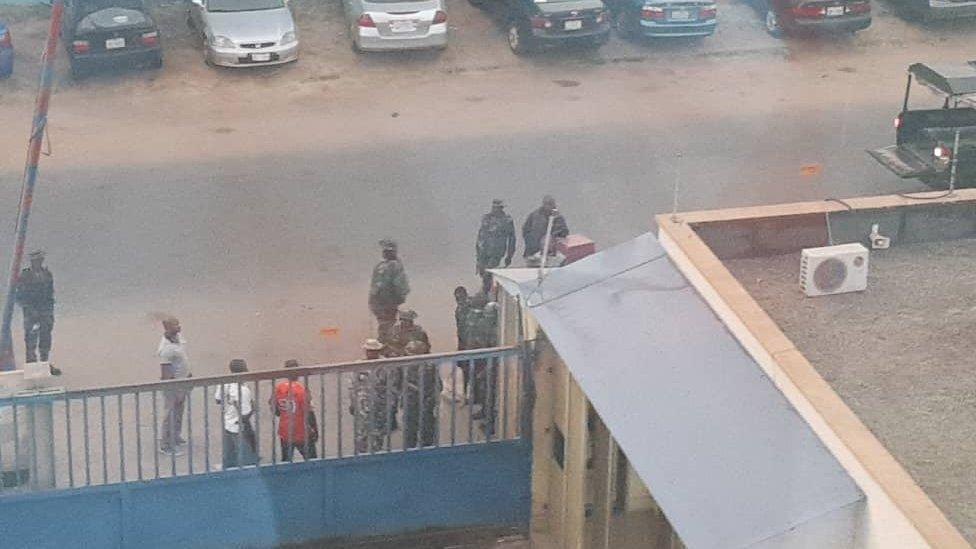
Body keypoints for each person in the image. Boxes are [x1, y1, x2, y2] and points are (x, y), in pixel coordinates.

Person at [350, 339, 398, 453]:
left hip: (380, 405)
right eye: (369, 351)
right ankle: (361, 455)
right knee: (362, 433)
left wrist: (392, 405)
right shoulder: (359, 364)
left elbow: (392, 386)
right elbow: (353, 385)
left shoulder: (386, 366)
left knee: (378, 433)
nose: (371, 353)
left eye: (374, 351)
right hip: (363, 405)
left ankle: (377, 454)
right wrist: (352, 402)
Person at [214, 359, 258, 469]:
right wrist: (254, 407)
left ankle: (227, 465)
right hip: (240, 424)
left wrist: (230, 401)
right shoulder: (243, 389)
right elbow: (245, 413)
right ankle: (248, 467)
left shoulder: (225, 383)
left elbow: (218, 400)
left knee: (229, 448)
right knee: (245, 449)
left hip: (228, 419)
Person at [465, 294, 499, 435]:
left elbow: (492, 350)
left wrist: (485, 370)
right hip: (483, 361)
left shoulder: (495, 331)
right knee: (484, 391)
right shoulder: (486, 327)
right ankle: (485, 412)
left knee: (489, 392)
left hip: (490, 364)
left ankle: (490, 423)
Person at [271, 359, 318, 462]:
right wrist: (315, 430)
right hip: (302, 432)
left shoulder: (279, 388)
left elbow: (274, 407)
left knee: (286, 461)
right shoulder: (302, 390)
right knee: (312, 461)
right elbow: (309, 412)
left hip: (285, 431)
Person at [157, 317, 192, 456]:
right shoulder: (166, 349)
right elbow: (165, 372)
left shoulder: (177, 338)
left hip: (182, 382)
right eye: (175, 325)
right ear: (167, 328)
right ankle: (166, 444)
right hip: (173, 385)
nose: (179, 327)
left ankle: (175, 436)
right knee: (170, 413)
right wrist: (173, 388)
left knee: (179, 411)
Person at [15, 250, 56, 366]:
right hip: (30, 310)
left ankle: (44, 361)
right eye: (36, 260)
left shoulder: (47, 274)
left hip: (45, 310)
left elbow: (50, 293)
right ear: (32, 261)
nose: (38, 262)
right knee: (31, 336)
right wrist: (29, 308)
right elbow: (20, 295)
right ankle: (31, 362)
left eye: (40, 260)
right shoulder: (25, 275)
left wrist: (49, 309)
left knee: (46, 335)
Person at [368, 239, 410, 343]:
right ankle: (385, 343)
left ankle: (385, 342)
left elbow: (401, 287)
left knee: (385, 326)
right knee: (386, 326)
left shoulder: (385, 266)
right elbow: (402, 286)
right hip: (384, 303)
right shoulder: (392, 266)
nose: (386, 253)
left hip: (383, 303)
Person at [402, 340, 441, 449]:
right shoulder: (403, 366)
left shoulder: (430, 366)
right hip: (414, 402)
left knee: (425, 428)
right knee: (412, 429)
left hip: (425, 401)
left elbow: (438, 384)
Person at [476, 199, 516, 294]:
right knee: (483, 273)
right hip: (483, 252)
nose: (496, 209)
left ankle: (486, 292)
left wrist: (509, 255)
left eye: (499, 207)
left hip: (497, 252)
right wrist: (477, 256)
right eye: (495, 207)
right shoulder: (486, 218)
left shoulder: (507, 220)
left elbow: (512, 239)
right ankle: (487, 291)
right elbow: (480, 236)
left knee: (488, 273)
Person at [522, 195, 569, 261]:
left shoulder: (558, 218)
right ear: (543, 204)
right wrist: (531, 243)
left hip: (550, 255)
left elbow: (564, 232)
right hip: (533, 253)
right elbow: (525, 231)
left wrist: (552, 238)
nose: (549, 206)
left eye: (551, 204)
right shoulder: (534, 216)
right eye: (547, 203)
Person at [453, 286, 472, 401]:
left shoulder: (469, 307)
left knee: (470, 369)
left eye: (460, 297)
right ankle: (465, 393)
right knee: (464, 369)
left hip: (470, 343)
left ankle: (469, 394)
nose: (458, 299)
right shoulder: (459, 308)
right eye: (456, 297)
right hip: (463, 342)